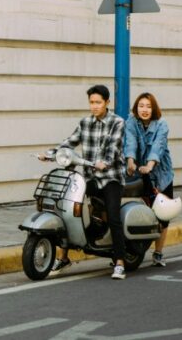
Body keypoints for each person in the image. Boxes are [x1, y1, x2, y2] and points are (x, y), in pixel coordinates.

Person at [39, 84, 128, 280]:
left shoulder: (118, 122)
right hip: (89, 178)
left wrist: (104, 162)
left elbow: (114, 148)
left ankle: (120, 261)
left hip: (111, 177)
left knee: (113, 216)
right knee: (67, 208)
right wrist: (50, 154)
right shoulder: (85, 122)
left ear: (107, 103)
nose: (94, 106)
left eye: (98, 102)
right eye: (91, 102)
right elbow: (69, 142)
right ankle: (63, 257)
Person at [124, 92, 175, 267]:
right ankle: (133, 249)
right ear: (136, 108)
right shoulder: (131, 122)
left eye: (148, 106)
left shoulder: (162, 124)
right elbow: (129, 142)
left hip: (160, 174)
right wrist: (130, 161)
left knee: (163, 214)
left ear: (154, 109)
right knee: (138, 207)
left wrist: (150, 166)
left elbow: (158, 146)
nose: (144, 110)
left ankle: (158, 253)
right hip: (139, 172)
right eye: (141, 106)